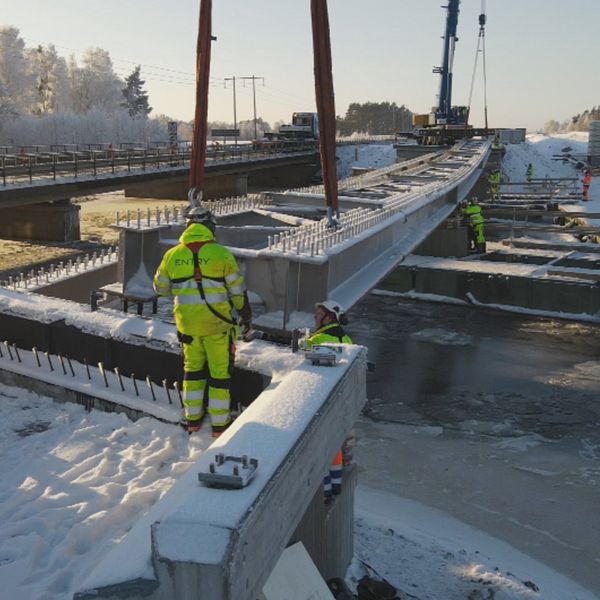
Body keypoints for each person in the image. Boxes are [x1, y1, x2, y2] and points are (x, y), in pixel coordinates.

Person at [153, 207, 252, 437]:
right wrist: (245, 315)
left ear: (187, 227)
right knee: (219, 373)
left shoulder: (172, 255)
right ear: (210, 226)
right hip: (217, 326)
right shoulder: (222, 254)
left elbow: (160, 289)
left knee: (193, 371)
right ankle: (219, 425)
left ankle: (193, 420)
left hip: (187, 326)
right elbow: (237, 291)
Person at [306, 300, 352, 503]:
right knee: (335, 446)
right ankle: (335, 486)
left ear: (330, 317)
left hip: (321, 400)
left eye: (318, 315)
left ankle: (324, 493)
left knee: (321, 448)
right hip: (342, 402)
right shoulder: (346, 337)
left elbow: (297, 353)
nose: (315, 318)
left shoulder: (320, 338)